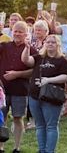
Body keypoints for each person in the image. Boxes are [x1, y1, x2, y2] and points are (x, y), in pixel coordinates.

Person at [21, 34, 67, 153]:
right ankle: (42, 150)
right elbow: (25, 60)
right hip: (34, 96)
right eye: (48, 42)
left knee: (51, 126)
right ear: (44, 44)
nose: (50, 44)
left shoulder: (62, 60)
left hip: (51, 97)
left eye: (53, 42)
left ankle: (50, 151)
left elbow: (66, 76)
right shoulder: (39, 57)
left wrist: (48, 80)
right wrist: (27, 48)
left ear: (58, 44)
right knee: (40, 125)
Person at [0, 21, 37, 153]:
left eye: (20, 31)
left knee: (18, 117)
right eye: (15, 31)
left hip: (20, 89)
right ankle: (1, 147)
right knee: (1, 117)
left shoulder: (31, 50)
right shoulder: (4, 46)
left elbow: (34, 70)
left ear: (26, 33)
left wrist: (17, 74)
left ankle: (17, 147)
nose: (17, 33)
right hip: (2, 90)